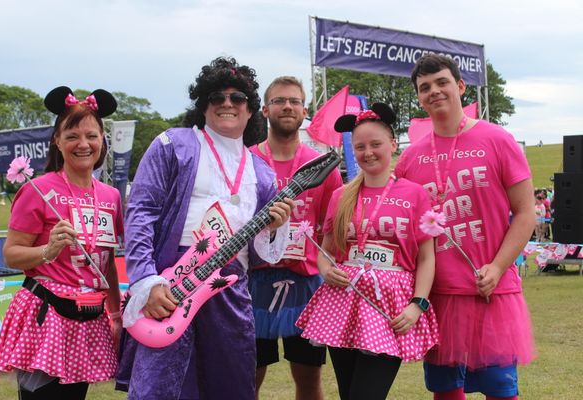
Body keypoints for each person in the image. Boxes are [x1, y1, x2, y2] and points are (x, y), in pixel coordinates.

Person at [115, 56, 293, 400]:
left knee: (230, 386)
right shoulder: (173, 144)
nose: (227, 104)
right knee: (160, 387)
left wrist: (273, 229)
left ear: (250, 109)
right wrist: (146, 280)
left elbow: (257, 254)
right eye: (217, 97)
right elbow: (140, 212)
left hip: (229, 288)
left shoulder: (264, 172)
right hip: (170, 284)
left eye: (237, 98)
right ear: (203, 104)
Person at [394, 54, 536, 400]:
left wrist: (499, 266)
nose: (434, 91)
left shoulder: (498, 139)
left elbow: (526, 213)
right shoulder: (410, 157)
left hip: (490, 289)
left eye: (442, 82)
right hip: (438, 296)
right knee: (444, 390)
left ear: (460, 86)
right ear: (419, 97)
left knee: (501, 390)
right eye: (425, 88)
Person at [0, 86, 123, 399]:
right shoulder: (38, 189)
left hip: (89, 319)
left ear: (103, 139)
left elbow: (107, 262)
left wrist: (115, 315)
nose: (83, 144)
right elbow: (11, 254)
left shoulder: (111, 196)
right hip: (45, 318)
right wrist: (48, 250)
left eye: (92, 135)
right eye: (72, 135)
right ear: (57, 141)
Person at [296, 103, 439, 400]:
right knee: (349, 394)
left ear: (393, 144)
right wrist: (325, 270)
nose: (368, 152)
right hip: (343, 301)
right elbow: (326, 250)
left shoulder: (415, 194)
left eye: (376, 144)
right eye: (359, 146)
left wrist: (418, 305)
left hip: (389, 305)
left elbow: (427, 257)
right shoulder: (341, 195)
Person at [248, 76, 342, 400]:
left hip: (305, 284)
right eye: (278, 101)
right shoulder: (245, 162)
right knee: (247, 379)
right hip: (253, 283)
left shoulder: (322, 166)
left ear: (305, 111)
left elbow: (331, 229)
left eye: (294, 101)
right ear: (265, 109)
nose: (287, 106)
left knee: (309, 379)